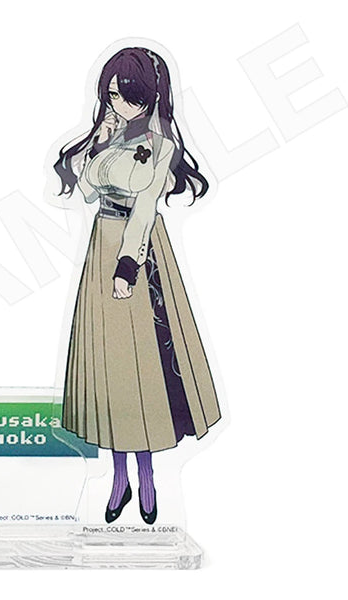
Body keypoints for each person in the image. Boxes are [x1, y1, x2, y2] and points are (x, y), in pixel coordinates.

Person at [53, 46, 221, 524]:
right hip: (100, 245)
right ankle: (118, 478)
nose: (120, 105)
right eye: (112, 95)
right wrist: (98, 142)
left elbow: (145, 209)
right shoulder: (107, 139)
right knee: (107, 367)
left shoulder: (160, 146)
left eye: (129, 96)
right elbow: (88, 192)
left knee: (141, 367)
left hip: (138, 252)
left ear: (150, 96)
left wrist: (127, 267)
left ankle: (146, 477)